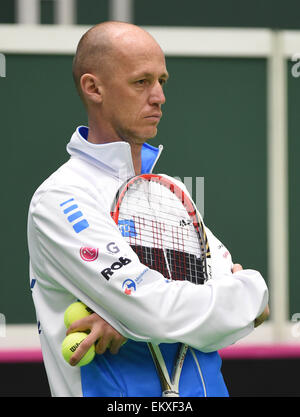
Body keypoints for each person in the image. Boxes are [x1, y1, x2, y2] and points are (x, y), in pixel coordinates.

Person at [27, 21, 269, 397]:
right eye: (141, 82)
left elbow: (256, 307)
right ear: (94, 88)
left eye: (162, 81)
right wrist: (241, 294)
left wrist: (128, 322)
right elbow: (155, 308)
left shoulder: (166, 192)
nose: (159, 96)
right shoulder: (59, 198)